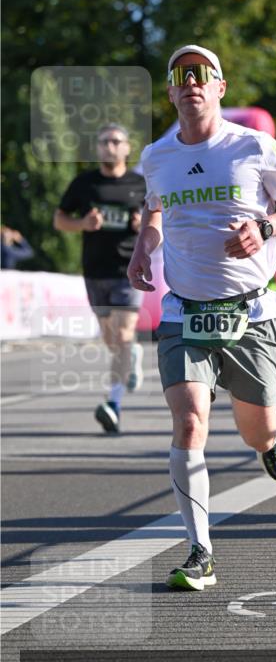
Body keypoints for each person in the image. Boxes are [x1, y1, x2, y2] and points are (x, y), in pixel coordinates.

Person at [128, 44, 276, 591]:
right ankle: (199, 551)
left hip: (249, 314)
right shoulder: (156, 156)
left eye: (202, 74)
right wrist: (144, 245)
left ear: (219, 88)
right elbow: (155, 205)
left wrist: (267, 228)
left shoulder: (253, 146)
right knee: (189, 422)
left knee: (256, 430)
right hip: (184, 311)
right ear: (170, 91)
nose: (192, 82)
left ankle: (273, 438)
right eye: (181, 75)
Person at [54, 125, 146, 434]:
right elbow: (59, 219)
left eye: (115, 141)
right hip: (95, 271)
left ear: (127, 148)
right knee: (111, 339)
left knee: (121, 336)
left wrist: (141, 223)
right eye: (104, 142)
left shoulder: (140, 184)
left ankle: (113, 404)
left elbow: (162, 221)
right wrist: (83, 223)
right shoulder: (84, 184)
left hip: (129, 270)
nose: (109, 146)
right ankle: (131, 354)